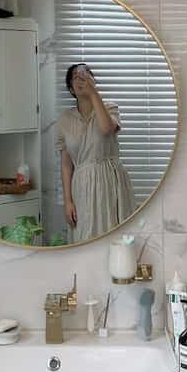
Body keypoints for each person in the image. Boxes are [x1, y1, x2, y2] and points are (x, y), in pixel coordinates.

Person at [56, 64, 136, 242]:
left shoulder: (110, 108)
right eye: (76, 76)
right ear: (71, 89)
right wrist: (68, 201)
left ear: (93, 81)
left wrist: (93, 94)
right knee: (86, 235)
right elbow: (66, 164)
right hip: (83, 184)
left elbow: (107, 128)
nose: (81, 77)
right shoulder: (65, 121)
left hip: (111, 178)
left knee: (115, 235)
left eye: (85, 74)